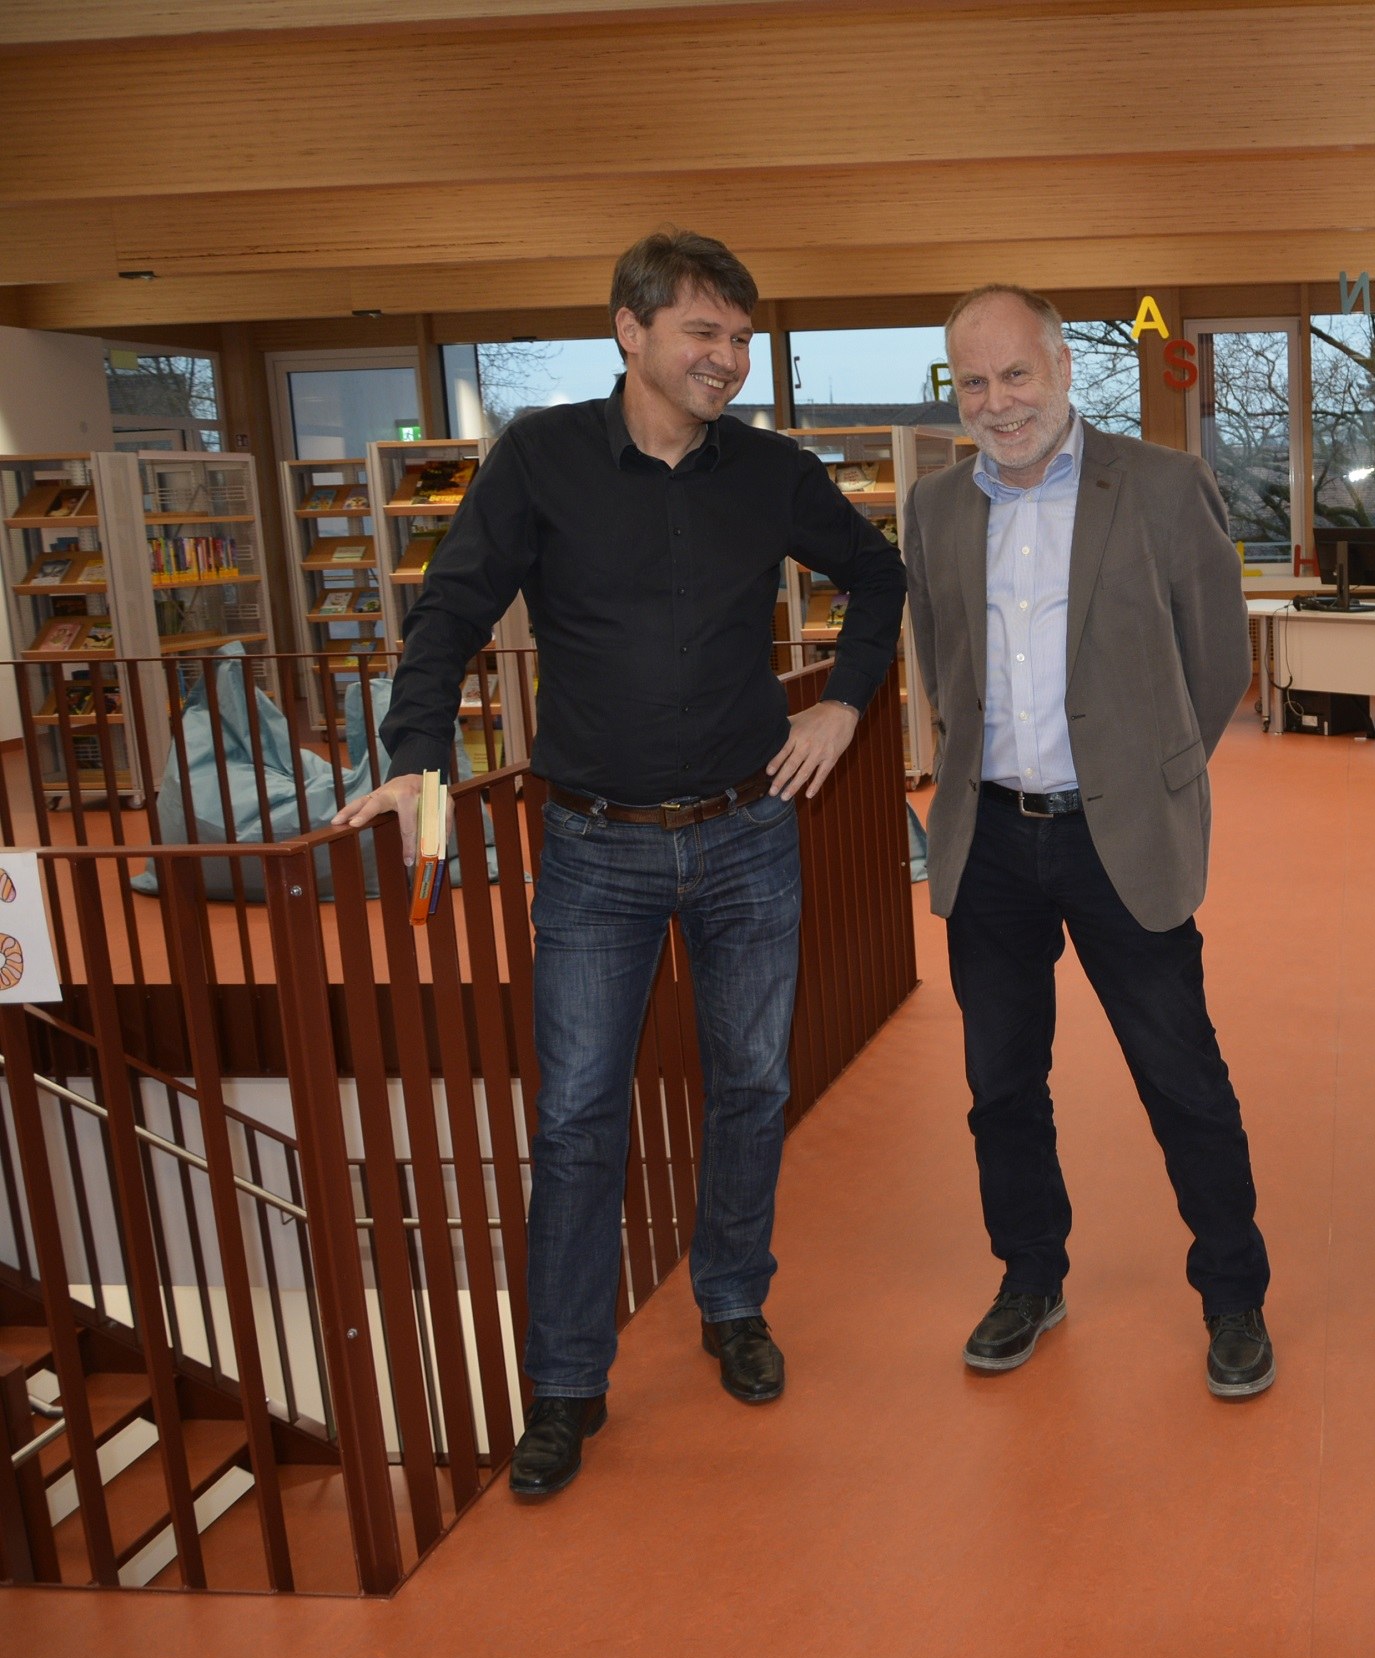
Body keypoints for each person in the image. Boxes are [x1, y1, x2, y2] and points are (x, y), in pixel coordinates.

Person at [336, 229, 906, 1498]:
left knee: (752, 1085)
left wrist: (843, 704)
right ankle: (565, 1381)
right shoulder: (538, 460)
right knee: (579, 1115)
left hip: (750, 833)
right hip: (595, 848)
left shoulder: (770, 472)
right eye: (705, 332)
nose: (728, 359)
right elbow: (451, 610)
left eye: (741, 338)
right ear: (630, 331)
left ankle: (733, 1303)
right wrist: (419, 756)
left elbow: (879, 576)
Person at [903, 284, 1274, 1397]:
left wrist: (1149, 772)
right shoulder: (934, 508)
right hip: (989, 842)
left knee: (1181, 1075)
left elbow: (1218, 657)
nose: (998, 403)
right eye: (974, 382)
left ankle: (1234, 1294)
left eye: (1016, 374)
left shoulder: (1159, 485)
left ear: (1064, 368)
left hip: (1120, 840)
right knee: (1002, 1084)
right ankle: (1030, 1275)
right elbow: (942, 660)